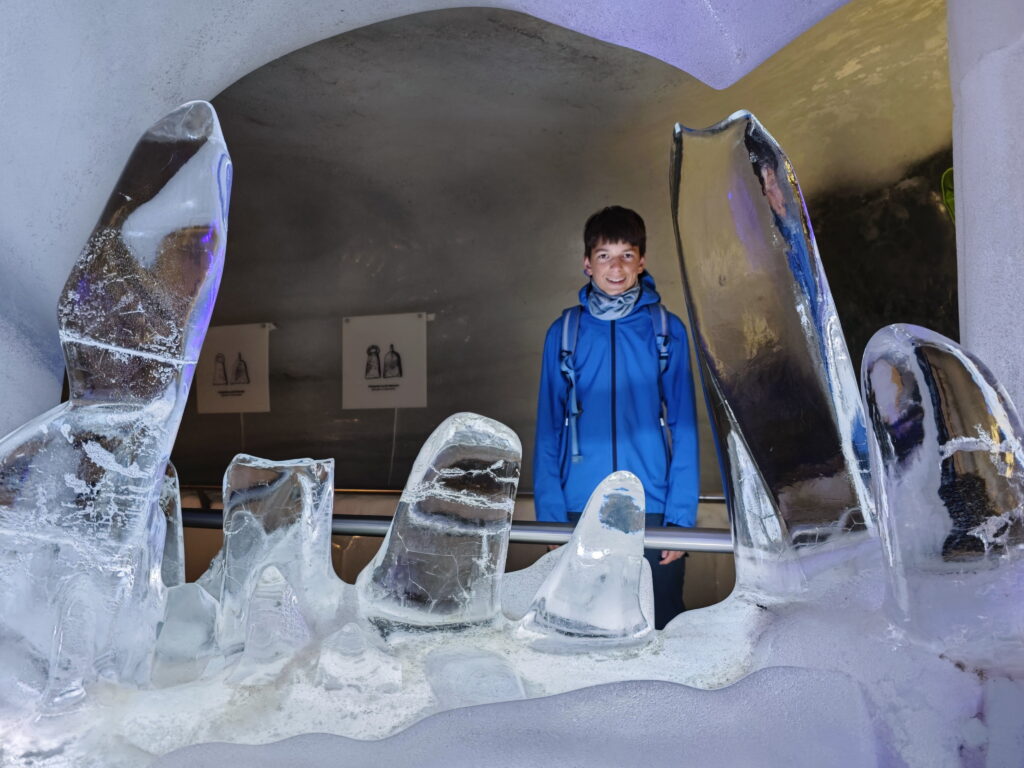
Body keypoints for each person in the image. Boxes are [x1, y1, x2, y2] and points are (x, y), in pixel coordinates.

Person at [533, 206, 699, 629]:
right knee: (580, 632)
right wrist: (551, 520)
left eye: (627, 255)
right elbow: (549, 429)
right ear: (587, 264)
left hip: (653, 509)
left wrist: (681, 520)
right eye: (605, 255)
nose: (617, 267)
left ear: (642, 261)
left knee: (657, 627)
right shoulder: (565, 332)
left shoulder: (666, 329)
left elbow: (685, 425)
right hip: (577, 510)